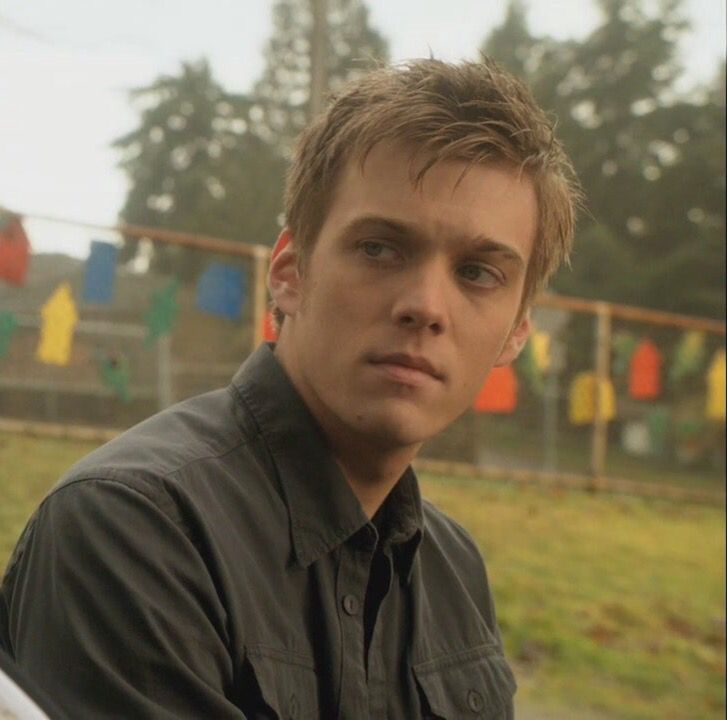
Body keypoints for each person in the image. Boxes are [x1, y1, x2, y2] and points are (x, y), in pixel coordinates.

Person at [0, 58, 578, 719]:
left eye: (477, 273)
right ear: (289, 273)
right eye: (381, 248)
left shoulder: (453, 570)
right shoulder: (136, 528)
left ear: (514, 333)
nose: (425, 305)